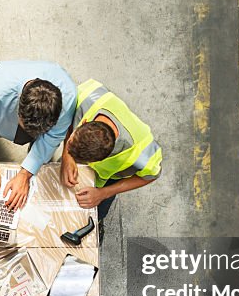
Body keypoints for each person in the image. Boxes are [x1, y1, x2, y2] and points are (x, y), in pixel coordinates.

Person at [0, 60, 76, 210]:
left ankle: (34, 157)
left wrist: (25, 174)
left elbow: (53, 137)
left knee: (42, 149)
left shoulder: (68, 97)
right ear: (18, 110)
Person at [61, 79, 163, 222]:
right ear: (83, 122)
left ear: (101, 160)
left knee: (96, 212)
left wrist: (103, 193)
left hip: (107, 181)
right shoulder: (86, 95)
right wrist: (67, 157)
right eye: (72, 140)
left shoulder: (141, 153)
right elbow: (66, 120)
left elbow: (150, 176)